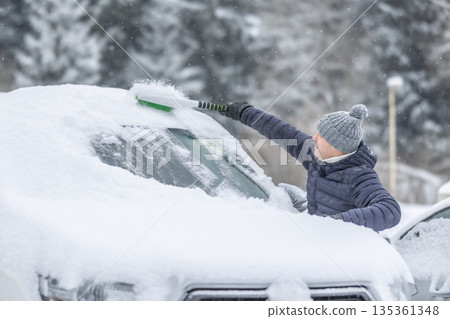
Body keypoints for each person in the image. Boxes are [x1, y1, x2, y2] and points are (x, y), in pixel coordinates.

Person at [199, 101, 401, 231]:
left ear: (337, 146)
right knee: (284, 193)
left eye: (320, 136)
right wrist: (246, 113)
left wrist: (338, 222)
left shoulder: (360, 177)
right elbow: (282, 132)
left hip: (342, 254)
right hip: (316, 238)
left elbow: (390, 210)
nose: (313, 138)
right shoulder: (315, 155)